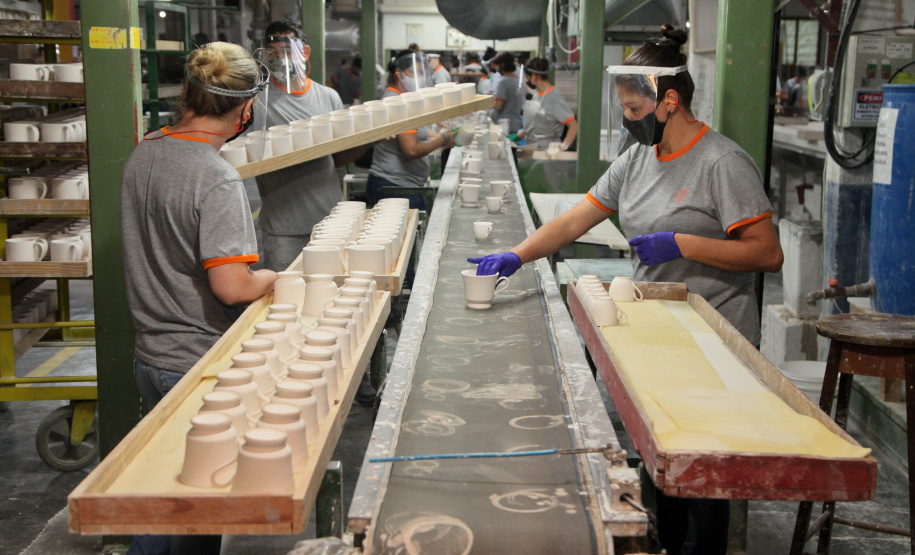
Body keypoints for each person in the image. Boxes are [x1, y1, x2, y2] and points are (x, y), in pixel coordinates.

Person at [469, 24, 783, 555]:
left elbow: (766, 252)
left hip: (713, 341)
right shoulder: (638, 159)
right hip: (659, 333)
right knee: (665, 453)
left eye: (635, 111)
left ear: (669, 101)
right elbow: (576, 220)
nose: (627, 121)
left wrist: (684, 243)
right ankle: (669, 541)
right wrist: (518, 256)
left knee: (705, 463)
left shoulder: (722, 164)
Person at [121, 41, 277, 555]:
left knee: (163, 495)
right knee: (187, 518)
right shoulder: (215, 177)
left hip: (149, 356)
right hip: (194, 364)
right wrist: (276, 276)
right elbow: (232, 287)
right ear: (246, 109)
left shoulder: (145, 152)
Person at [253, 20, 370, 271]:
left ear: (304, 53)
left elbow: (338, 158)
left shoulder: (328, 97)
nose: (280, 59)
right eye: (273, 53)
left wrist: (370, 139)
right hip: (283, 227)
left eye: (287, 51)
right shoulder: (257, 101)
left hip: (330, 221)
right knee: (285, 298)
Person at [367, 49, 455, 209]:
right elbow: (411, 150)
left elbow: (414, 131)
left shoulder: (404, 98)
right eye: (414, 72)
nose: (420, 77)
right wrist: (443, 140)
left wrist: (434, 134)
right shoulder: (397, 102)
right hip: (394, 187)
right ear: (398, 74)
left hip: (401, 185)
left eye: (422, 72)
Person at [512, 57, 578, 150]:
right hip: (533, 149)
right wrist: (518, 136)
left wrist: (563, 146)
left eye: (528, 77)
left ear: (535, 76)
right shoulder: (536, 96)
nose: (527, 81)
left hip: (548, 152)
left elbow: (573, 125)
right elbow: (535, 125)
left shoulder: (554, 96)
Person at [489, 52, 523, 133]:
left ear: (502, 64)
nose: (496, 68)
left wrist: (488, 101)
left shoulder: (503, 82)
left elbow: (498, 106)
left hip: (505, 125)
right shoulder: (517, 81)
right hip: (516, 123)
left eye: (497, 65)